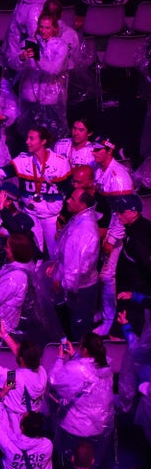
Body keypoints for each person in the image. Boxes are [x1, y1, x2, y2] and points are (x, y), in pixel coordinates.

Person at [3, 126, 71, 256]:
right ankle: (33, 275)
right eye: (27, 138)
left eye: (31, 138)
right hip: (31, 213)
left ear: (43, 141)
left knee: (55, 252)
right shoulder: (22, 160)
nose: (27, 141)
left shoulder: (61, 163)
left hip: (52, 216)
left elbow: (69, 191)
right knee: (32, 252)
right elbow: (3, 172)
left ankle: (56, 276)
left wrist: (64, 216)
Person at [50, 333, 114, 469]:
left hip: (76, 427)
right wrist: (75, 356)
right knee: (85, 459)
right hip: (99, 426)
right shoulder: (105, 366)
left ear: (85, 350)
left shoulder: (77, 369)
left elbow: (54, 381)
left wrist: (60, 358)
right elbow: (87, 376)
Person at [92, 138, 134, 336]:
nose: (94, 153)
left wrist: (111, 239)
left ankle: (110, 320)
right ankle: (103, 311)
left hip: (119, 228)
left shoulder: (118, 177)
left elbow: (123, 212)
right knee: (101, 271)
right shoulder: (100, 169)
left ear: (109, 151)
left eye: (99, 150)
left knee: (107, 275)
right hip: (107, 224)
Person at [49, 189, 100, 340]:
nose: (67, 201)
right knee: (72, 327)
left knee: (80, 333)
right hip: (73, 288)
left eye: (72, 199)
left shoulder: (85, 230)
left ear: (83, 205)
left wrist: (62, 283)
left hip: (81, 290)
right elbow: (67, 255)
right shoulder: (78, 220)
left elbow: (79, 267)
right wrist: (56, 268)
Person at [17, 12, 70, 139]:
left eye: (47, 27)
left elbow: (55, 69)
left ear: (54, 28)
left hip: (50, 96)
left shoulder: (61, 45)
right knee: (29, 134)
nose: (43, 30)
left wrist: (38, 58)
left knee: (50, 134)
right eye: (41, 27)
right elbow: (14, 64)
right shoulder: (29, 42)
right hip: (30, 95)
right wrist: (21, 57)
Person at [0, 389, 53, 469]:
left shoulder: (9, 445)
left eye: (22, 417)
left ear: (22, 427)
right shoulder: (47, 446)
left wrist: (2, 394)